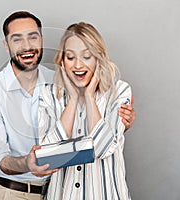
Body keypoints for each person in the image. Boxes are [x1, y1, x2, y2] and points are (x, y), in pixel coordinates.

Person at [0, 11, 135, 200]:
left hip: (56, 188)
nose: (27, 46)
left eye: (33, 37)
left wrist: (118, 124)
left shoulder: (59, 81)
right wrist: (28, 163)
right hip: (17, 193)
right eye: (17, 39)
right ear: (6, 45)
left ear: (42, 40)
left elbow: (98, 143)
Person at [38, 22, 132, 199]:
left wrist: (89, 97)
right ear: (62, 61)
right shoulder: (48, 95)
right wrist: (73, 100)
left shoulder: (119, 91)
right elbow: (47, 158)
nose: (78, 65)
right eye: (70, 57)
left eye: (87, 56)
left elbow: (103, 148)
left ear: (98, 58)